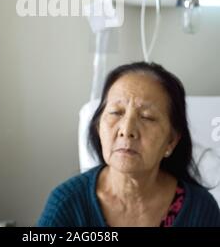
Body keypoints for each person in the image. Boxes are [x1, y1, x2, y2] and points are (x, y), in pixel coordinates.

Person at [36, 62, 220, 227]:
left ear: (171, 141)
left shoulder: (199, 209)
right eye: (116, 112)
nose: (126, 129)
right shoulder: (68, 204)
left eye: (147, 117)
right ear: (98, 127)